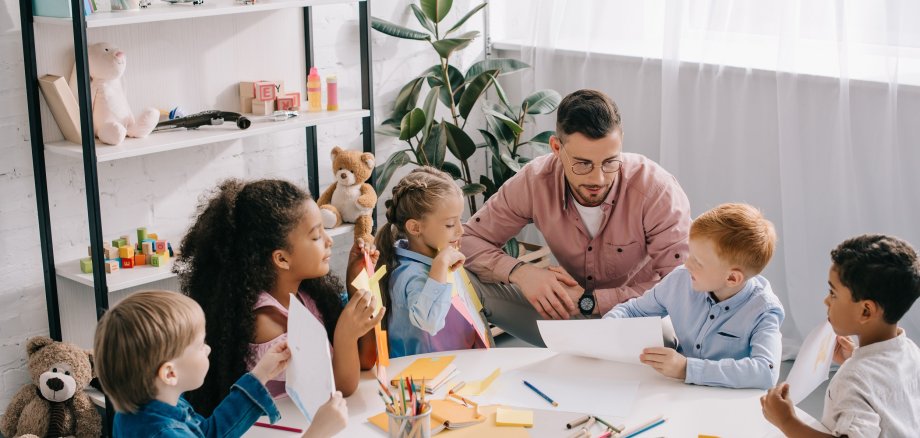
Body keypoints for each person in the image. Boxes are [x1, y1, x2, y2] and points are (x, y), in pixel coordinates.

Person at [461, 89, 692, 345]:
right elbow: (468, 240)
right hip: (564, 314)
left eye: (609, 162)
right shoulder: (534, 181)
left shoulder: (656, 189)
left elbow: (682, 285)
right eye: (582, 164)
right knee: (466, 282)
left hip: (634, 318)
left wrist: (593, 302)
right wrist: (520, 272)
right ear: (556, 148)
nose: (598, 179)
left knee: (667, 339)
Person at [174, 179, 384, 414]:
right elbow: (339, 390)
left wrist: (355, 282)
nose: (329, 240)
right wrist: (345, 335)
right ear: (282, 259)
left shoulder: (307, 296)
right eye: (316, 236)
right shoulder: (267, 322)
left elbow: (365, 361)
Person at [94, 290, 348, 438]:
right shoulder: (165, 434)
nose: (208, 349)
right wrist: (318, 433)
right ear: (170, 373)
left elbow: (209, 433)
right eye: (199, 344)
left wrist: (260, 374)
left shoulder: (151, 404)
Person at [604, 203, 783, 389]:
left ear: (732, 278)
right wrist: (607, 326)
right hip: (678, 391)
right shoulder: (680, 280)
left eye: (698, 262)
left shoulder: (764, 310)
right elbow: (633, 310)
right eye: (691, 254)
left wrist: (686, 368)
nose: (687, 264)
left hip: (727, 399)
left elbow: (766, 372)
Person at [762, 234, 920, 437]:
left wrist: (786, 421)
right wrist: (854, 356)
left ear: (866, 311)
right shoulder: (912, 352)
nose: (826, 301)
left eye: (833, 293)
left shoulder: (853, 379)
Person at [375, 167, 492, 358]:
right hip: (427, 376)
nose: (460, 230)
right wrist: (440, 265)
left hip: (458, 363)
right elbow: (429, 323)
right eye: (450, 224)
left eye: (459, 220)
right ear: (414, 227)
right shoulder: (409, 274)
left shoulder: (439, 254)